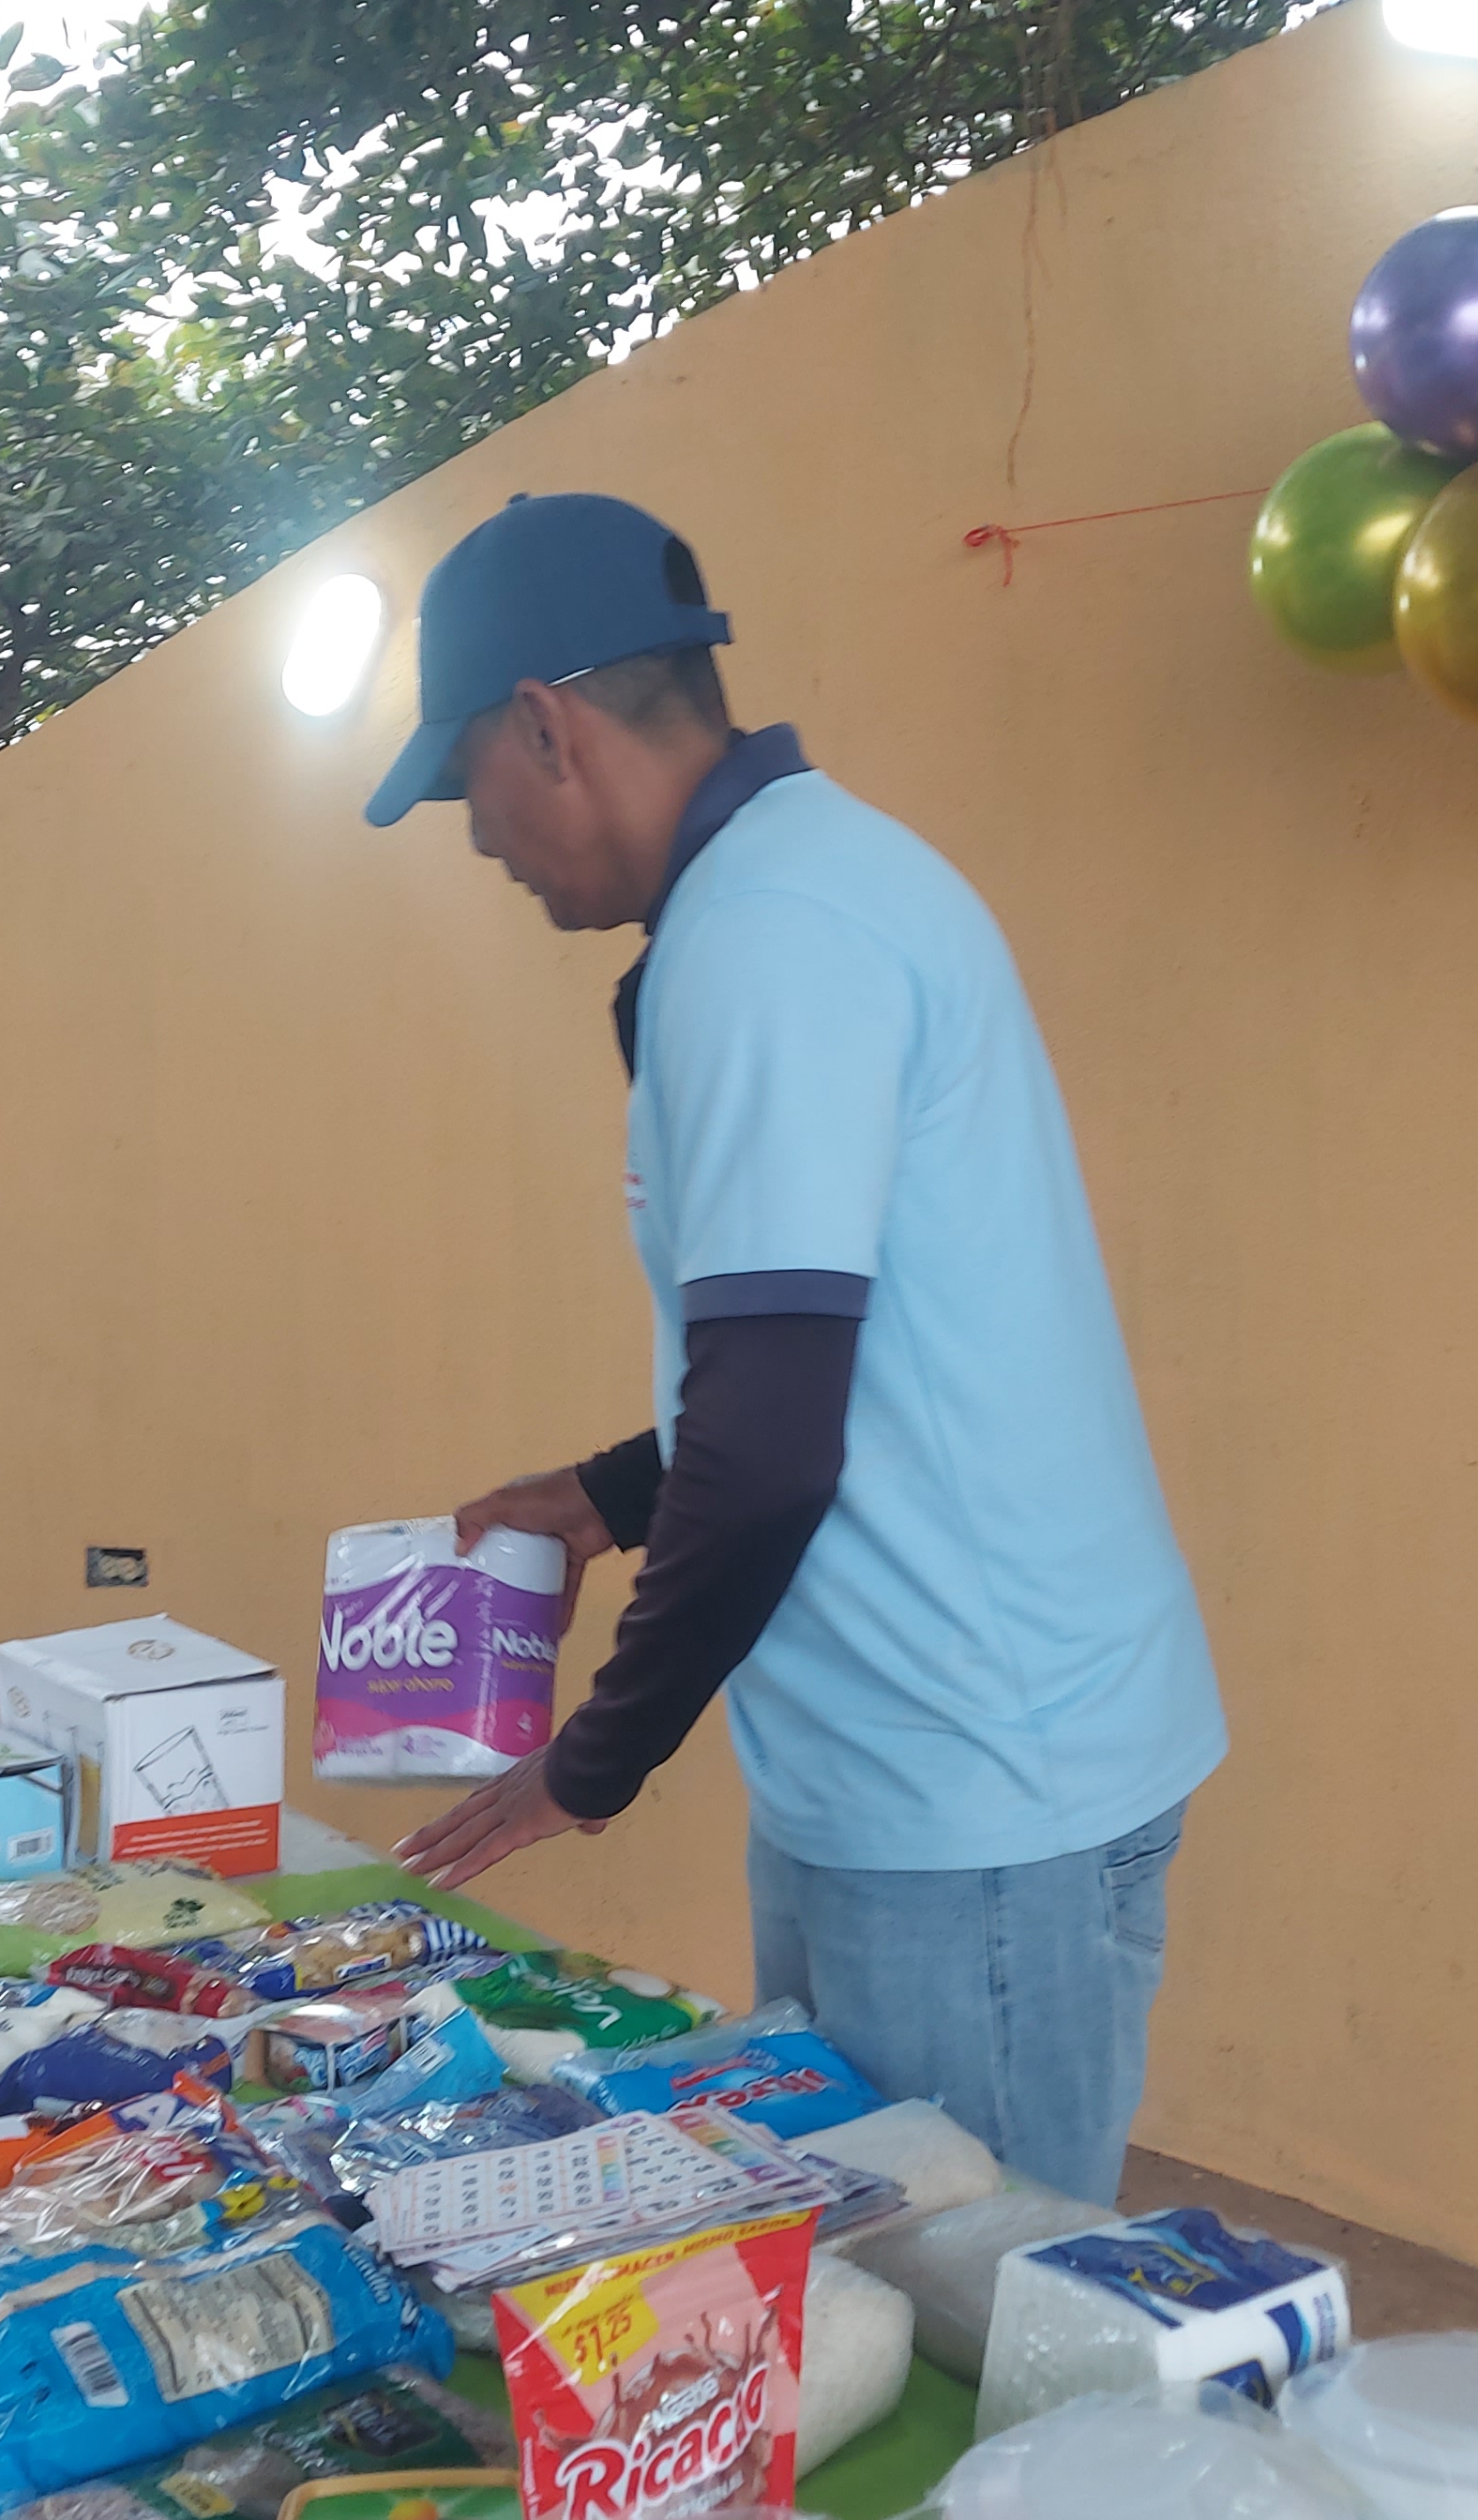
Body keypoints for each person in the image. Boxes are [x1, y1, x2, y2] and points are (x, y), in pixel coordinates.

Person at [367, 490, 1225, 2201]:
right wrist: (610, 1495)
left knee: (973, 2306)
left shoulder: (770, 934)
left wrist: (592, 1762)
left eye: (469, 786)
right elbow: (842, 1351)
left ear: (547, 726)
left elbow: (768, 1448)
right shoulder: (797, 889)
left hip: (971, 1788)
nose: (479, 843)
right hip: (925, 1766)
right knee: (863, 2270)